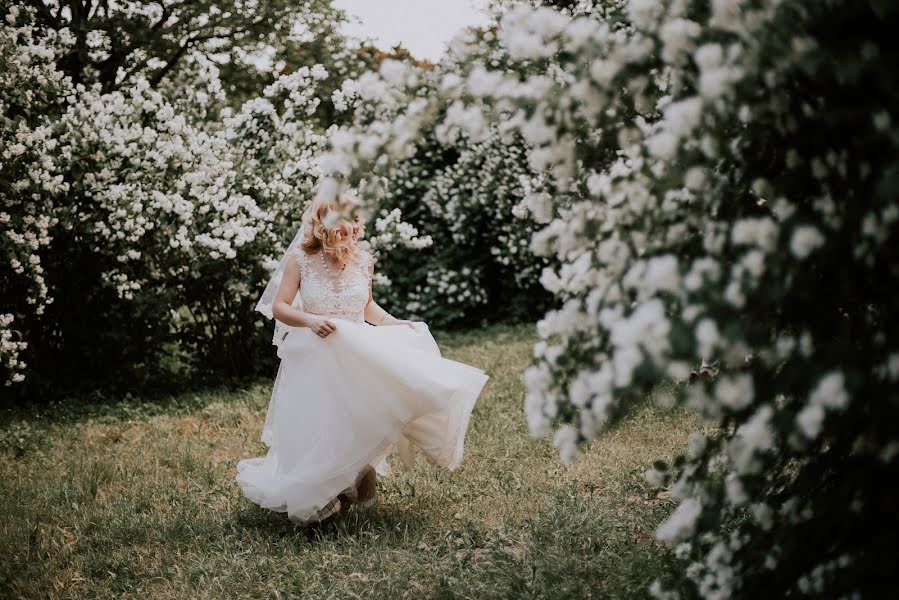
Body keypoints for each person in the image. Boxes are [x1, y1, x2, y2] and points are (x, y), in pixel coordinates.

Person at [236, 192, 489, 524]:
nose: (349, 228)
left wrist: (397, 324)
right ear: (322, 224)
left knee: (362, 420)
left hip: (358, 353)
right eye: (340, 220)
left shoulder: (363, 260)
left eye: (354, 220)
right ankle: (324, 495)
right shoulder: (300, 259)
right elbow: (280, 307)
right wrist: (310, 321)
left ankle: (361, 484)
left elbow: (366, 306)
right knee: (323, 426)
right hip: (316, 356)